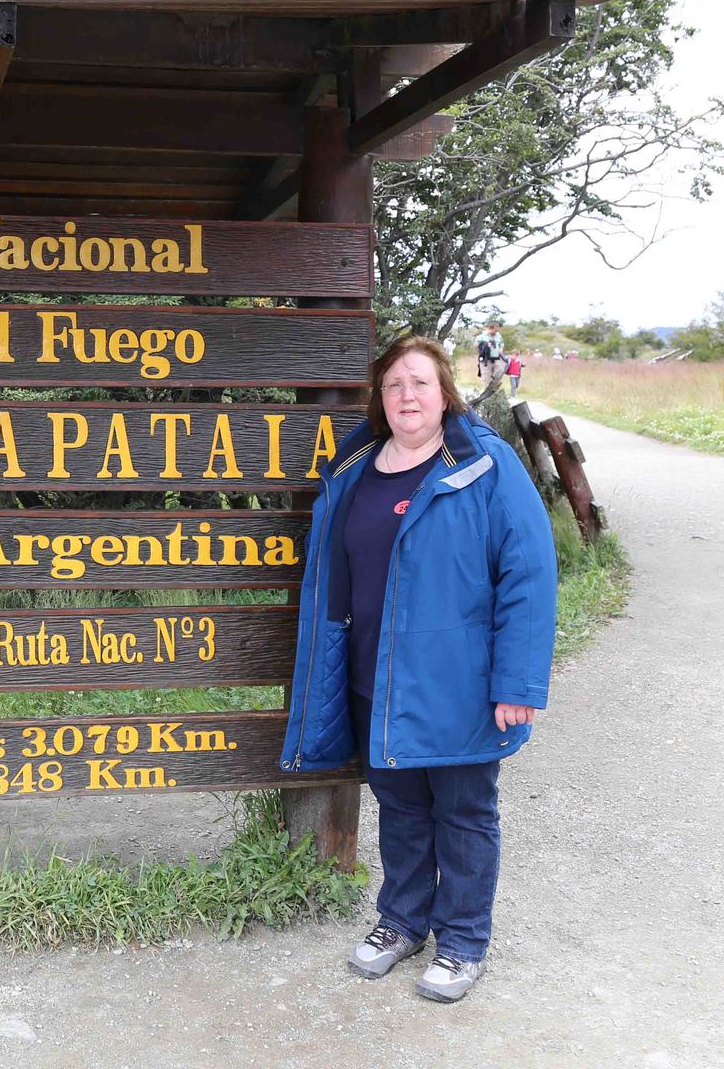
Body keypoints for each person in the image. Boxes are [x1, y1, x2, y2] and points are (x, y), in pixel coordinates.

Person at [281, 335, 557, 1002]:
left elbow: (530, 573)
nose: (408, 396)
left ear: (445, 394)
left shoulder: (484, 465)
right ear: (381, 398)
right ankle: (403, 921)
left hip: (458, 682)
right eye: (395, 385)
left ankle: (462, 941)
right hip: (372, 676)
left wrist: (516, 684)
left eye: (421, 384)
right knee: (401, 808)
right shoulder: (355, 467)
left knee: (463, 812)